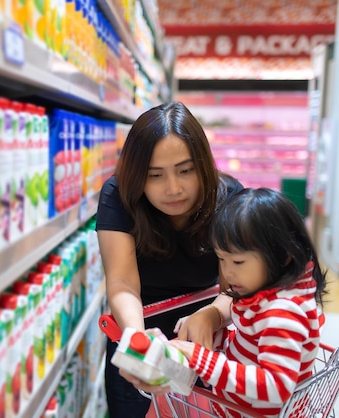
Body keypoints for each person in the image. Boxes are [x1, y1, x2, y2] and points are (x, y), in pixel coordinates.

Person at [95, 101, 244, 417]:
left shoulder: (229, 198)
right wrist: (138, 340)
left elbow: (239, 287)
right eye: (155, 175)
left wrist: (213, 315)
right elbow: (122, 283)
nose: (173, 188)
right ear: (138, 176)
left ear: (202, 164)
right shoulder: (118, 196)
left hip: (207, 347)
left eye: (186, 170)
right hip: (139, 335)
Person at [166, 187, 328, 417]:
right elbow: (249, 337)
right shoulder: (263, 293)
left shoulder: (283, 313)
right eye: (221, 259)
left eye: (238, 262)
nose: (227, 272)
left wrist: (204, 361)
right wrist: (211, 333)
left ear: (282, 255)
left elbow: (276, 387)